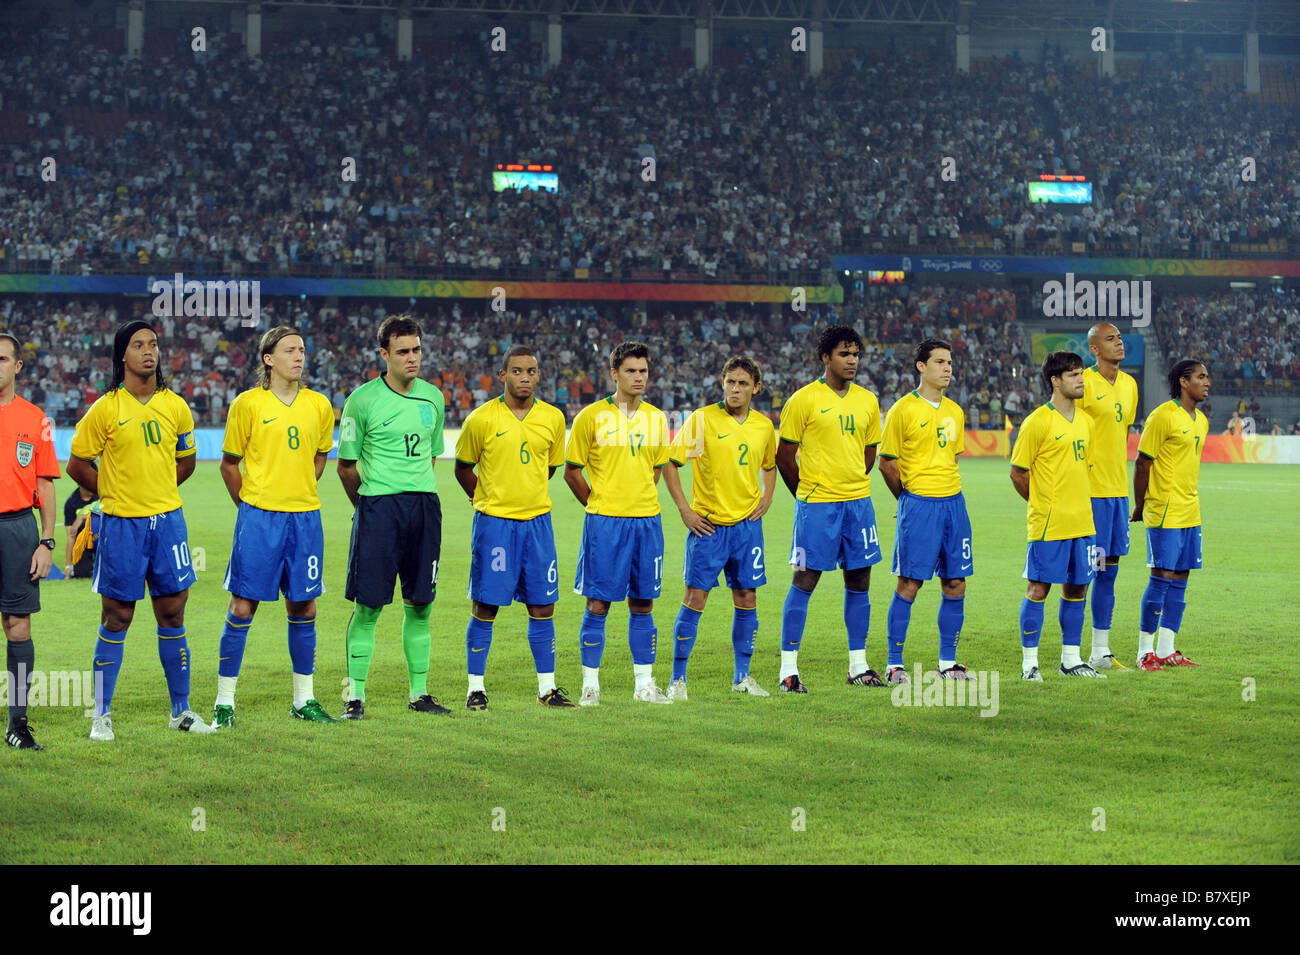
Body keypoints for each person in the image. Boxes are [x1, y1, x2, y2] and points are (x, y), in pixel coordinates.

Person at [67, 321, 214, 740]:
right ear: (122, 357)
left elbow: (186, 460)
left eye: (153, 344)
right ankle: (101, 714)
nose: (148, 351)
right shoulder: (106, 408)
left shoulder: (176, 406)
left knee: (172, 611)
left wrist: (160, 491)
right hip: (121, 526)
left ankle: (181, 712)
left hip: (168, 524)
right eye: (138, 345)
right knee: (117, 616)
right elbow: (76, 465)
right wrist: (115, 492)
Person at [211, 326, 338, 728]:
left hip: (305, 519)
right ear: (269, 359)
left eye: (302, 350)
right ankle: (224, 703)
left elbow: (319, 458)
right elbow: (229, 464)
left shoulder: (319, 405)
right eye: (290, 350)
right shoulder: (247, 405)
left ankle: (304, 699)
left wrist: (296, 491)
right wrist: (251, 506)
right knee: (243, 606)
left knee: (304, 605)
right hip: (259, 519)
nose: (299, 356)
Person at [336, 315, 449, 719]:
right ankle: (355, 697)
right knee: (369, 606)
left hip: (423, 507)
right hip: (378, 508)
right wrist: (368, 508)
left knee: (421, 605)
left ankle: (419, 693)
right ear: (384, 355)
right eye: (403, 351)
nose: (412, 358)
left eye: (417, 349)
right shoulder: (361, 400)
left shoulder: (433, 398)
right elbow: (346, 467)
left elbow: (432, 455)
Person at [453, 345, 575, 710]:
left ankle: (547, 689)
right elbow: (462, 469)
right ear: (503, 375)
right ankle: (476, 688)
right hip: (495, 527)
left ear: (539, 375)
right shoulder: (482, 418)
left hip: (538, 525)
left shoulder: (552, 418)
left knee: (542, 605)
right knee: (486, 605)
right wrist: (487, 500)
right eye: (517, 371)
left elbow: (549, 469)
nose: (525, 377)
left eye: (532, 371)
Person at [775, 324, 884, 692]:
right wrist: (805, 494)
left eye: (855, 354)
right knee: (805, 581)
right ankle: (788, 671)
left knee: (860, 581)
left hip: (858, 504)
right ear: (826, 357)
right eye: (843, 354)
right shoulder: (803, 399)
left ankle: (859, 666)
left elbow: (868, 455)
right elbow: (784, 456)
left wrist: (849, 482)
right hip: (817, 506)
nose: (851, 360)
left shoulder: (868, 401)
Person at [660, 356, 777, 699]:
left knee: (747, 597)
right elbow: (670, 462)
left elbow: (769, 465)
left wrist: (767, 497)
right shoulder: (703, 420)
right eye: (730, 382)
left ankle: (742, 677)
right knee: (695, 598)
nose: (736, 389)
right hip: (708, 527)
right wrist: (685, 510)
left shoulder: (763, 426)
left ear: (756, 387)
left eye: (743, 383)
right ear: (722, 383)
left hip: (746, 528)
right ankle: (678, 679)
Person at [564, 340, 672, 705]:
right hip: (605, 524)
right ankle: (590, 687)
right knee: (598, 604)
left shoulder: (658, 419)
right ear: (614, 374)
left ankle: (644, 685)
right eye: (630, 371)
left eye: (643, 370)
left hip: (646, 523)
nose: (638, 377)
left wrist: (636, 499)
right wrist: (598, 503)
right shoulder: (591, 417)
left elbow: (655, 470)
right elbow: (572, 472)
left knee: (643, 604)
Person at [877, 338, 975, 684]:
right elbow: (886, 463)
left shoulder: (955, 412)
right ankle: (894, 664)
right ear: (921, 366)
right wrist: (907, 500)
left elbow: (952, 457)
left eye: (949, 362)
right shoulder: (902, 409)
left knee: (956, 583)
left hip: (954, 505)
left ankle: (948, 663)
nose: (947, 368)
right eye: (939, 362)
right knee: (910, 582)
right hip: (919, 505)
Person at [1009, 352, 1105, 680]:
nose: (1081, 380)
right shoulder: (1038, 421)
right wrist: (1043, 504)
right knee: (1039, 589)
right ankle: (1029, 664)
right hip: (1049, 523)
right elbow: (1018, 473)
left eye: (1081, 374)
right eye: (1074, 375)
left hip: (1084, 523)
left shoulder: (1087, 422)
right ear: (1055, 380)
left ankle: (1071, 660)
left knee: (1079, 588)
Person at [1130, 360, 1211, 670]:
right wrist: (1140, 505)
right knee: (1161, 578)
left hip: (1191, 509)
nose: (1207, 382)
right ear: (1183, 382)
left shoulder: (1200, 421)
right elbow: (1142, 462)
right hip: (1164, 509)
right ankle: (1144, 652)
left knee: (1181, 578)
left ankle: (1167, 649)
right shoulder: (1162, 416)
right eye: (1201, 377)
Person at [0, 333, 59, 750]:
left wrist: (48, 541)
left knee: (18, 626)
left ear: (17, 366)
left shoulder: (35, 418)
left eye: (2, 358)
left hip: (18, 529)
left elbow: (45, 484)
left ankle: (17, 724)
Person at [1079, 322, 1139, 670]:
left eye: (1119, 337)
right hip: (1089, 495)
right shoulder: (1083, 383)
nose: (1119, 343)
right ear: (1094, 350)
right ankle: (1072, 653)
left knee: (1109, 572)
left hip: (1117, 495)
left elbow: (1123, 433)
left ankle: (1101, 651)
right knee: (1085, 573)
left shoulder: (1130, 386)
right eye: (1110, 339)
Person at [62, 479, 97, 579]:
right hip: (84, 543)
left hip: (102, 539)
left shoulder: (102, 496)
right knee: (82, 573)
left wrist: (82, 517)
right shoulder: (71, 503)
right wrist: (68, 566)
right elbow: (71, 536)